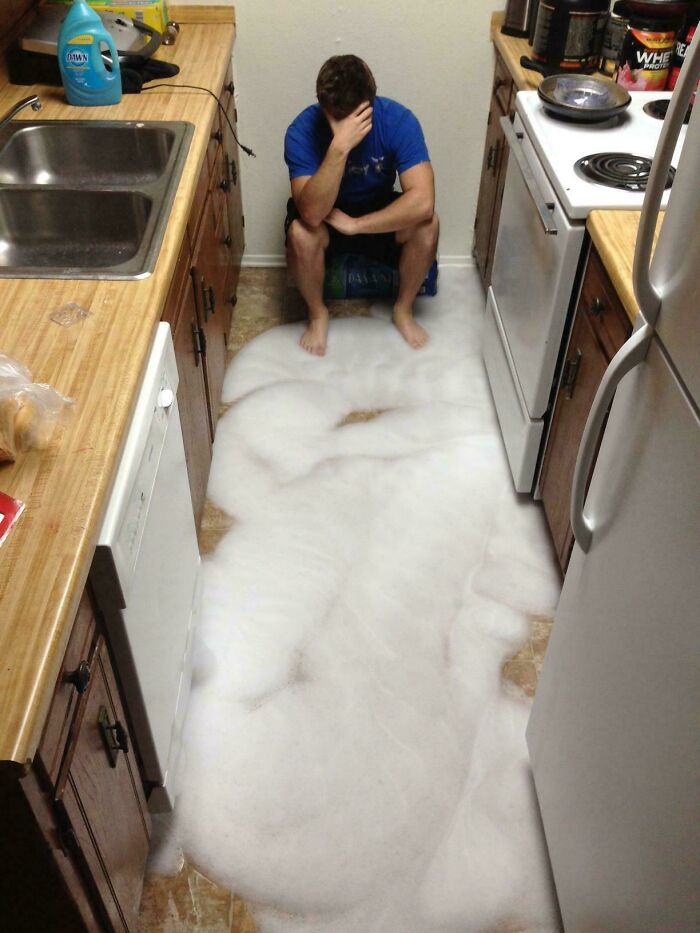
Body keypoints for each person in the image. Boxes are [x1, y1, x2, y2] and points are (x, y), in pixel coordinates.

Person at [284, 55, 439, 356]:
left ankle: (402, 310)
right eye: (335, 117)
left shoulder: (398, 120)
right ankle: (318, 314)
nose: (344, 124)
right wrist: (340, 147)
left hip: (374, 212)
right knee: (300, 233)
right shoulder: (301, 130)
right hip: (326, 216)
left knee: (427, 227)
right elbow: (312, 213)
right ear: (323, 107)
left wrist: (357, 225)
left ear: (370, 102)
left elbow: (423, 202)